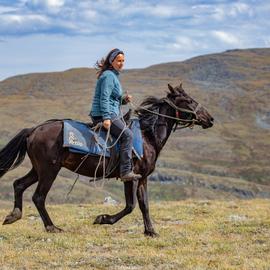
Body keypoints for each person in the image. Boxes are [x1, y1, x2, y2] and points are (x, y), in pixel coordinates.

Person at [89, 48, 141, 181]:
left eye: (123, 61)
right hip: (104, 115)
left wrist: (124, 100)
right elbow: (104, 98)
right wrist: (106, 118)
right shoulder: (108, 76)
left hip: (111, 113)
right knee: (128, 135)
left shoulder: (112, 76)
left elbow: (113, 99)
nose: (121, 63)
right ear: (112, 61)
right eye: (119, 61)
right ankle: (125, 172)